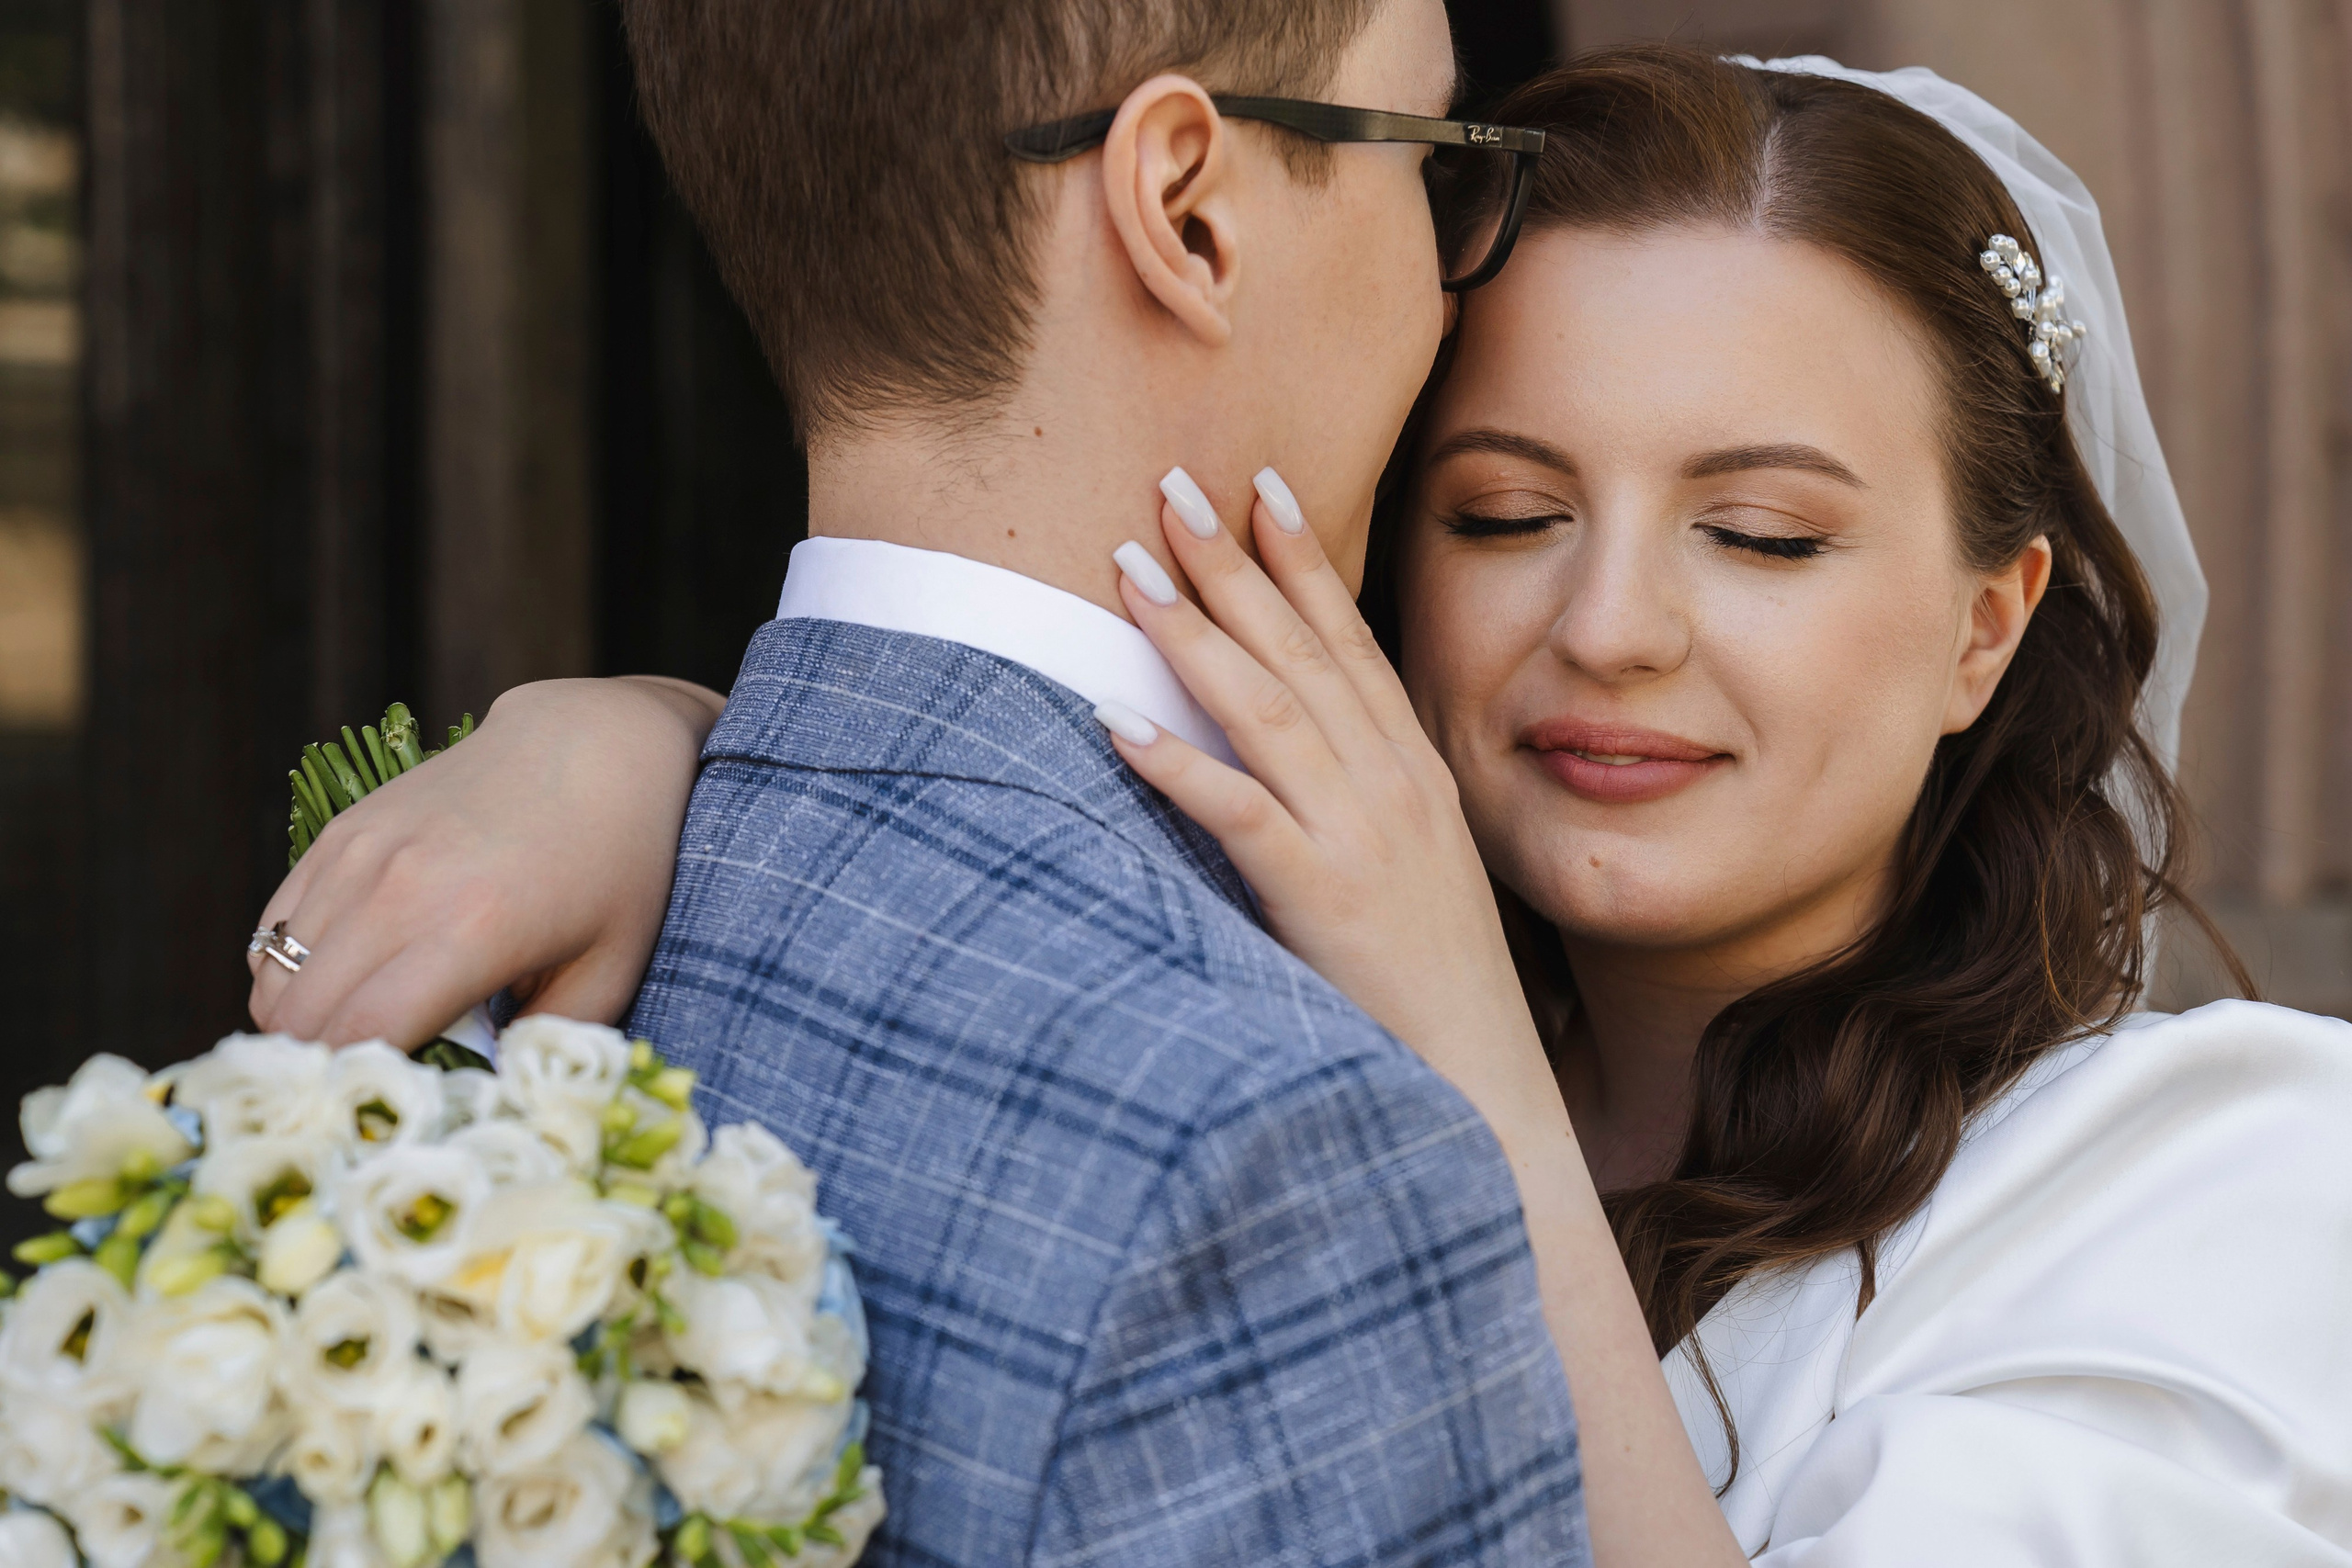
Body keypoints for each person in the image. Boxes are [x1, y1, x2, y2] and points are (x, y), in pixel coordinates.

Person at [251, 38, 2352, 1568]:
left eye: (1763, 538)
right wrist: (655, 734)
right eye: (1506, 508)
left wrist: (1473, 1070)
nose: (1607, 626)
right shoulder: (1230, 972)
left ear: (1988, 625)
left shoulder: (2224, 1175)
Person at [252, 2, 1594, 1566]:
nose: (1449, 279)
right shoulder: (1281, 1148)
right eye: (1426, 164)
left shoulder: (479, 931)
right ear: (1189, 214)